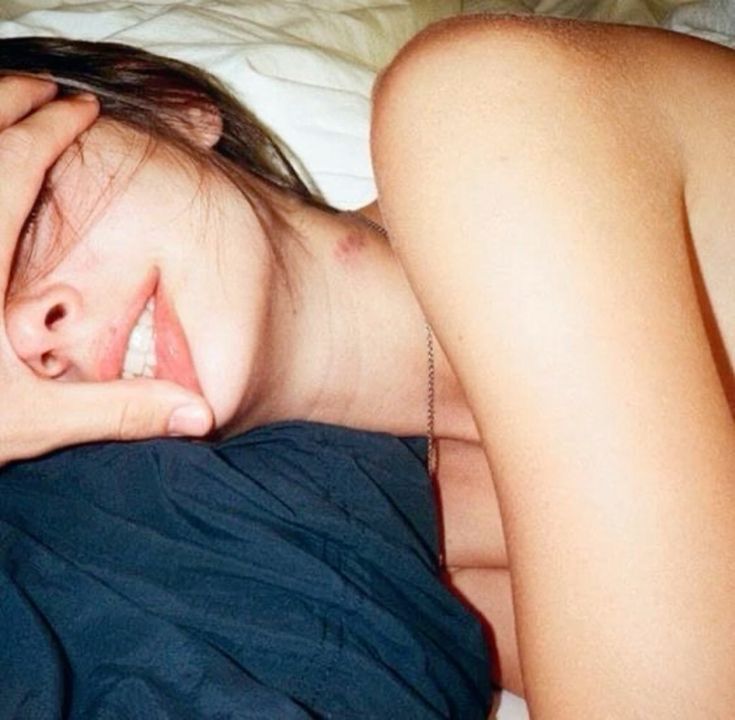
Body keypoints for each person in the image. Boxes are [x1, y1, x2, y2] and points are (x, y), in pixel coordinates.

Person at [1, 13, 734, 717]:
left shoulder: (476, 111)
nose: (31, 329)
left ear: (171, 109)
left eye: (27, 217)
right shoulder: (424, 560)